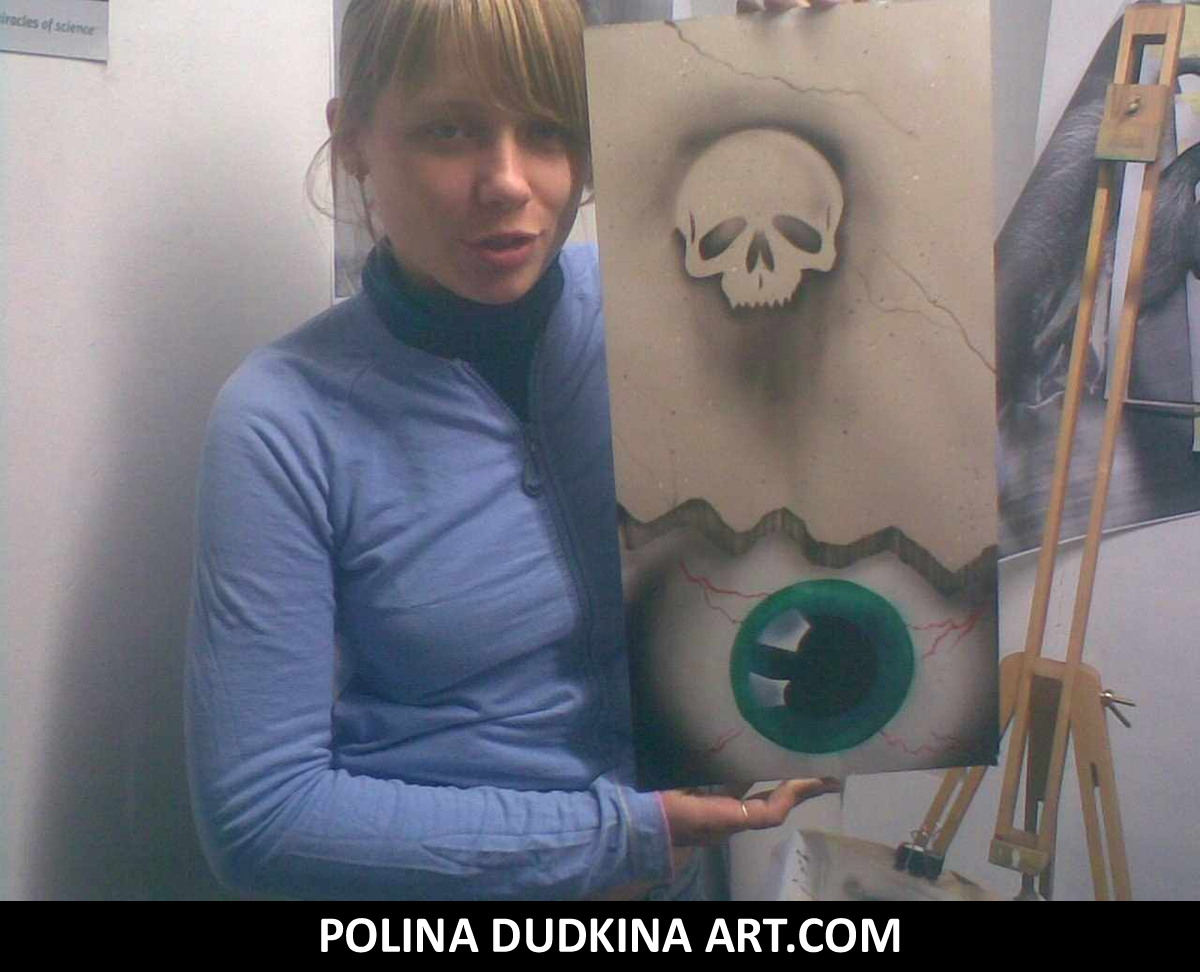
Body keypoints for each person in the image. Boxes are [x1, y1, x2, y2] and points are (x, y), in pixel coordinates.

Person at [185, 0, 840, 901]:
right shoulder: (282, 419)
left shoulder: (663, 311)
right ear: (354, 139)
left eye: (547, 128)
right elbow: (261, 819)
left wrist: (823, 62)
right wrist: (618, 841)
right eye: (449, 131)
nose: (507, 182)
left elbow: (864, 356)